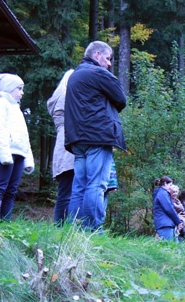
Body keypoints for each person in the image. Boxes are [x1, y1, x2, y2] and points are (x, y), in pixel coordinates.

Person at [64, 41, 126, 231]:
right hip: (98, 137)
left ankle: (73, 229)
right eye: (107, 58)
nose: (109, 64)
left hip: (77, 138)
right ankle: (92, 230)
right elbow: (121, 98)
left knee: (79, 186)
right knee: (97, 185)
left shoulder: (74, 76)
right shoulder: (97, 73)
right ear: (97, 54)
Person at [0, 74, 34, 221]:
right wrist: (4, 154)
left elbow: (25, 137)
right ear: (8, 87)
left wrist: (28, 159)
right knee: (0, 187)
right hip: (7, 153)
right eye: (19, 88)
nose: (22, 92)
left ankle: (6, 223)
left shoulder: (16, 109)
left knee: (12, 190)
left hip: (19, 154)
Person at [47, 69, 75, 225]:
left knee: (66, 191)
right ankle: (60, 227)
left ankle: (61, 227)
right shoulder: (66, 96)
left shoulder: (60, 96)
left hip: (63, 146)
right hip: (68, 146)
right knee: (66, 191)